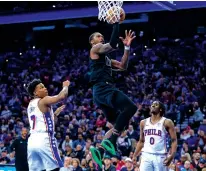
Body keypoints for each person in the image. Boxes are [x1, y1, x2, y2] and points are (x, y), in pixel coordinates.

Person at [88, 21, 137, 169]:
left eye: (102, 36)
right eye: (98, 36)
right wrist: (116, 24)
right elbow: (112, 45)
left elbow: (123, 66)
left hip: (99, 93)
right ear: (92, 42)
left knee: (119, 124)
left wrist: (127, 47)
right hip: (103, 88)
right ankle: (113, 141)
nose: (101, 37)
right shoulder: (95, 49)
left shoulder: (106, 60)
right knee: (131, 108)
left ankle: (100, 150)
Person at [26, 79, 70, 171]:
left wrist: (54, 114)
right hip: (44, 139)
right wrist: (65, 86)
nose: (45, 88)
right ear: (35, 93)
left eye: (44, 86)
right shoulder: (44, 100)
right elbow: (61, 96)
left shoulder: (30, 104)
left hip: (32, 141)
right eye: (41, 87)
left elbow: (42, 120)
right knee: (55, 168)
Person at [133, 101, 177, 171]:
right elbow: (141, 141)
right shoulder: (143, 122)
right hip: (146, 155)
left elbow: (174, 140)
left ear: (161, 109)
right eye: (152, 105)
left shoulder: (167, 122)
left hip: (160, 156)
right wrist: (135, 155)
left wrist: (172, 155)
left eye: (156, 105)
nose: (153, 106)